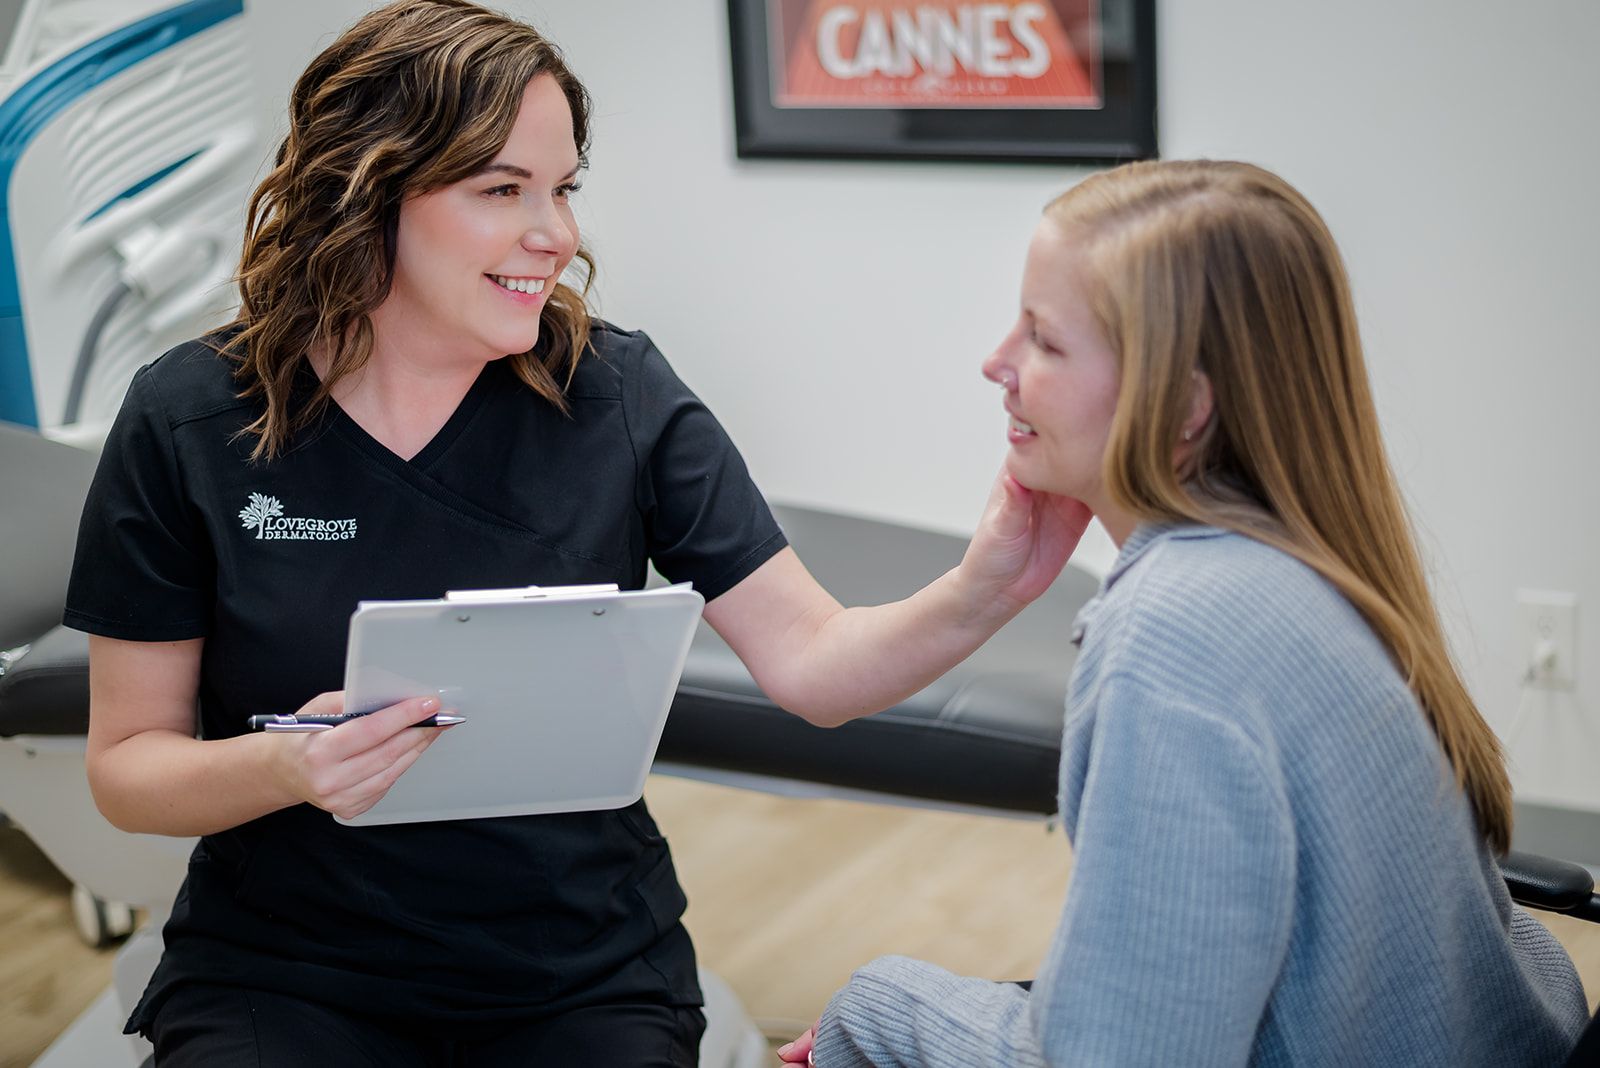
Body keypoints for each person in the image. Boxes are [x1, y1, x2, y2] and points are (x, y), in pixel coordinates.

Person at [62, 2, 1092, 1064]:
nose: (556, 235)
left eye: (562, 189)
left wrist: (990, 582)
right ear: (367, 196)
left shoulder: (615, 395)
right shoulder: (192, 420)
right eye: (501, 189)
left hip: (577, 969)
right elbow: (128, 766)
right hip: (284, 970)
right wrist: (289, 770)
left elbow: (814, 667)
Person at [779, 160, 1590, 1066]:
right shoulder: (1310, 560)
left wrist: (873, 1011)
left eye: (1044, 340)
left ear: (1185, 405)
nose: (996, 362)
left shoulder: (1175, 639)